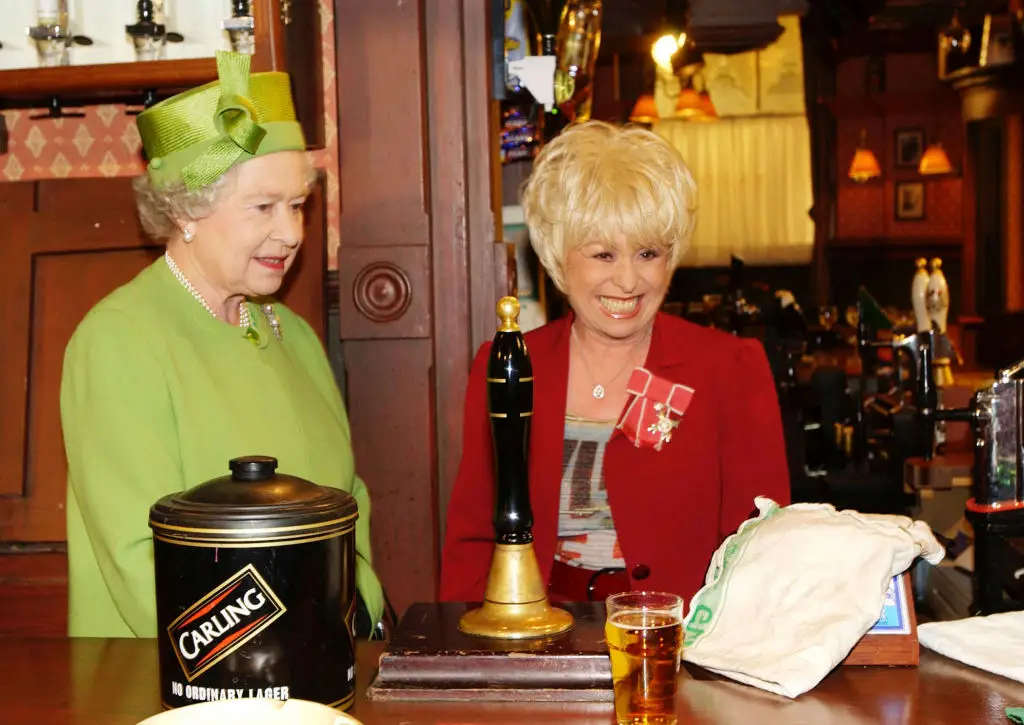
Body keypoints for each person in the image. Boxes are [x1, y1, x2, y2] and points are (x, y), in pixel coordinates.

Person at [61, 51, 384, 638]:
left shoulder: (298, 335)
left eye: (297, 206)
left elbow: (347, 503)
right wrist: (276, 665)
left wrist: (358, 623)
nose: (290, 233)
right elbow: (143, 561)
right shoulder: (118, 341)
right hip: (186, 688)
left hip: (315, 674)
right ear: (187, 209)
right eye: (262, 207)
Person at [440, 121, 790, 606]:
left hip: (680, 641)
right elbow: (474, 538)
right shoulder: (509, 363)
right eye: (603, 254)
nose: (628, 280)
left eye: (648, 253)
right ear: (560, 259)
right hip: (537, 636)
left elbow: (764, 549)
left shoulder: (730, 367)